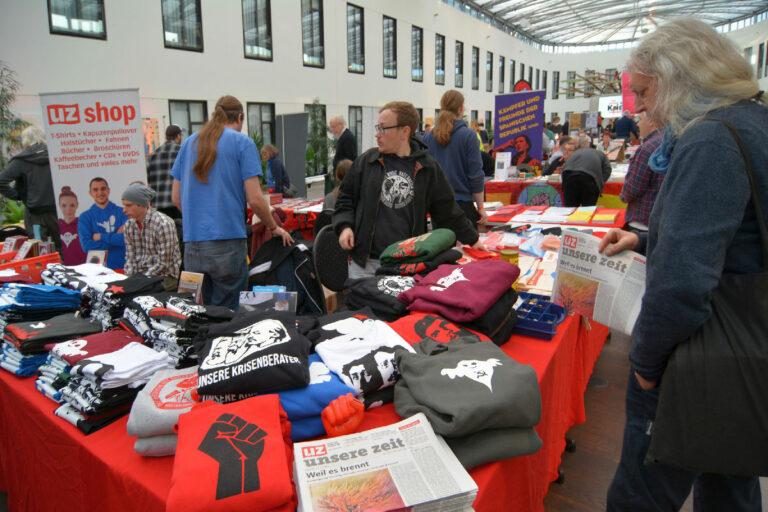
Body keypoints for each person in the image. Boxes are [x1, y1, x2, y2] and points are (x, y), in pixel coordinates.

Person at [600, 18, 766, 511]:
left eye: (645, 92)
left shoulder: (710, 139)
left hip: (697, 355)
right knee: (729, 479)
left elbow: (683, 282)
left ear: (682, 79)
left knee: (641, 494)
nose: (642, 107)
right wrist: (645, 237)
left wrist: (647, 364)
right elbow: (736, 237)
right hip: (741, 346)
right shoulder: (751, 122)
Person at [333, 100, 483, 279]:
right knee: (362, 307)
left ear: (404, 131)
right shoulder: (366, 162)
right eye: (377, 128)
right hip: (365, 264)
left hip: (407, 264)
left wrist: (474, 240)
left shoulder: (427, 167)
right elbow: (345, 199)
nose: (377, 134)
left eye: (383, 128)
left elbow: (447, 211)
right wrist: (344, 226)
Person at [171, 95, 292, 309]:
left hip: (192, 246)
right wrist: (274, 227)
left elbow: (176, 198)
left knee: (198, 313)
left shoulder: (188, 143)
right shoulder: (242, 143)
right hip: (227, 243)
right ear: (240, 117)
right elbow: (255, 199)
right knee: (228, 316)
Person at [423, 90, 487, 227]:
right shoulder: (469, 136)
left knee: (443, 247)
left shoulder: (428, 137)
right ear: (460, 109)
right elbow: (476, 175)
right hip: (462, 205)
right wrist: (481, 208)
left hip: (437, 207)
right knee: (466, 248)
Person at [0, 125, 60, 249]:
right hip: (58, 210)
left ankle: (46, 268)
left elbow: (1, 181)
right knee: (64, 246)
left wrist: (18, 196)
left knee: (40, 248)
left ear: (25, 140)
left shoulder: (21, 160)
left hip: (34, 214)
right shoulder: (57, 155)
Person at [121, 183, 181, 291]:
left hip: (165, 278)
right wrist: (129, 280)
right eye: (124, 205)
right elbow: (130, 258)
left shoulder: (163, 223)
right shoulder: (129, 225)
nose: (124, 210)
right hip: (141, 278)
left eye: (128, 205)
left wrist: (140, 282)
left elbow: (163, 264)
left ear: (142, 204)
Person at [620, 113, 663, 230]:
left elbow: (632, 189)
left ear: (651, 121)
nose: (637, 124)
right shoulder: (667, 142)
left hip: (642, 221)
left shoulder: (647, 148)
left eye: (640, 120)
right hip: (660, 219)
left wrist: (623, 196)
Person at [78, 177, 128, 269]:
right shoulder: (84, 217)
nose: (100, 193)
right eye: (95, 190)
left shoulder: (123, 212)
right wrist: (115, 237)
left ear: (108, 191)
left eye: (103, 189)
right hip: (97, 271)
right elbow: (86, 246)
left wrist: (100, 237)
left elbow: (126, 239)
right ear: (90, 193)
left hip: (123, 267)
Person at [146, 124, 182, 219]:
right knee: (178, 232)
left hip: (158, 205)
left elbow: (148, 180)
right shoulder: (181, 152)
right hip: (177, 203)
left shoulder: (154, 154)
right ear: (178, 136)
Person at [57, 186, 86, 265]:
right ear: (59, 205)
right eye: (64, 205)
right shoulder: (56, 226)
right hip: (63, 272)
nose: (68, 209)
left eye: (72, 205)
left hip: (83, 270)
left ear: (77, 205)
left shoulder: (84, 224)